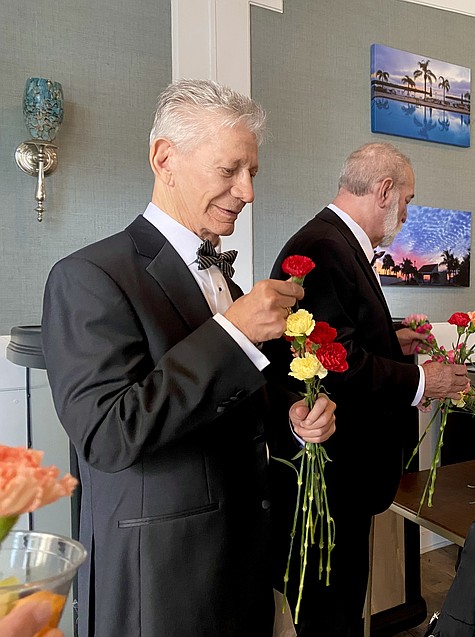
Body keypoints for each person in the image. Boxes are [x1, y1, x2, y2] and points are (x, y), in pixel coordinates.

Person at [41, 79, 336, 637]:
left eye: (252, 172)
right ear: (164, 158)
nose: (247, 191)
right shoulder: (87, 277)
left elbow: (230, 403)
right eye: (230, 171)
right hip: (162, 578)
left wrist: (292, 421)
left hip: (244, 561)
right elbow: (107, 433)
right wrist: (232, 332)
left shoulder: (221, 274)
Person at [266, 142, 471, 637]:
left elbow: (340, 339)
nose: (408, 212)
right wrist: (425, 380)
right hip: (331, 477)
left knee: (340, 604)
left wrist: (392, 341)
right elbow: (334, 367)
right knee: (332, 613)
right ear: (384, 191)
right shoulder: (323, 247)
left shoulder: (334, 241)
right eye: (409, 199)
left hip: (342, 477)